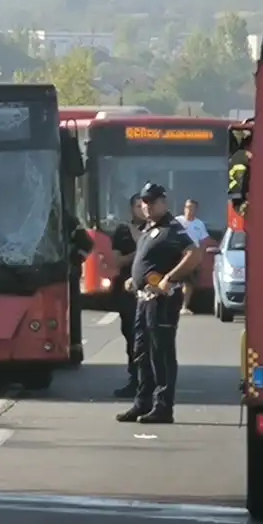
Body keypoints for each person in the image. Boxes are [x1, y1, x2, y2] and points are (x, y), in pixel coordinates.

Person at [116, 182, 203, 425]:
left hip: (162, 301)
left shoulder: (172, 228)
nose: (147, 206)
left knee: (160, 353)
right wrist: (135, 280)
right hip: (143, 299)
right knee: (141, 352)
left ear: (164, 203)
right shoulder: (148, 229)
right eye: (144, 202)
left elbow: (194, 255)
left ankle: (163, 407)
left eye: (152, 201)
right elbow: (148, 261)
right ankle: (142, 402)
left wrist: (169, 278)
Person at [109, 193, 146, 398]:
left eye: (145, 205)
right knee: (131, 336)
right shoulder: (122, 231)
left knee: (149, 339)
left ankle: (152, 382)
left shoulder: (158, 229)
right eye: (138, 206)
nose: (142, 209)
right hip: (127, 293)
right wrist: (139, 252)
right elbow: (117, 261)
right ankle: (135, 379)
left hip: (151, 292)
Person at [65, 210, 94, 365]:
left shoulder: (63, 216)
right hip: (39, 269)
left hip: (67, 274)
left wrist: (76, 260)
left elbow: (87, 244)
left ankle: (74, 350)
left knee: (72, 310)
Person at [175, 199, 209, 315]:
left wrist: (199, 255)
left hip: (192, 258)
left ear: (196, 210)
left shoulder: (199, 224)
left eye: (192, 208)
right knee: (173, 281)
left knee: (188, 283)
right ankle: (171, 306)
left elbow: (203, 241)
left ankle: (184, 307)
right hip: (177, 256)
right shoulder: (177, 222)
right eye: (187, 207)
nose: (189, 210)